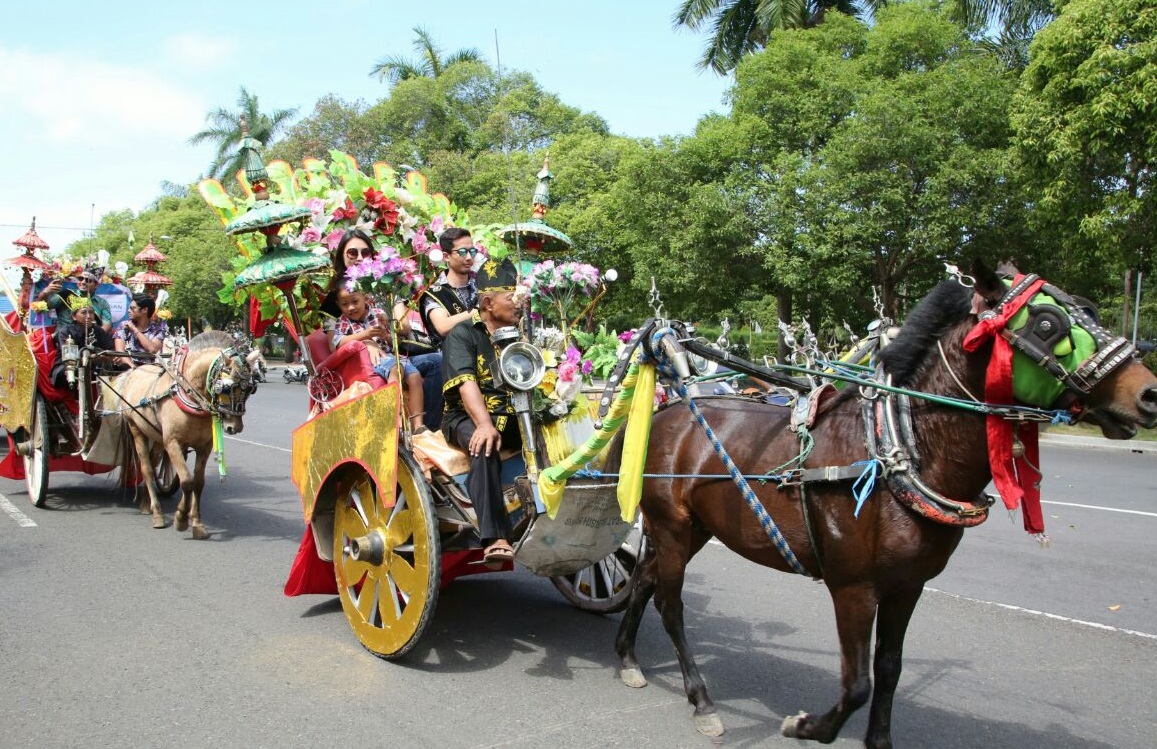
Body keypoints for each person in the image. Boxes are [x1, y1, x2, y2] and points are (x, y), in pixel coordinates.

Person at [440, 259, 523, 564]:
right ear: (488, 303)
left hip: (515, 414)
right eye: (511, 298)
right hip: (464, 416)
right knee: (484, 443)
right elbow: (466, 384)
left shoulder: (520, 334)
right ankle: (494, 536)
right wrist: (485, 424)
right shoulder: (463, 334)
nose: (519, 304)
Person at [333, 287, 427, 433]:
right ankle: (395, 420)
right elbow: (339, 343)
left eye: (355, 301)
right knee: (396, 370)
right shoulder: (342, 322)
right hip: (373, 361)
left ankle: (418, 424)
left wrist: (386, 334)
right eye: (345, 304)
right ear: (339, 305)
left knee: (414, 377)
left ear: (364, 297)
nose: (351, 307)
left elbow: (394, 340)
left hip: (390, 355)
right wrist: (365, 336)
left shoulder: (378, 313)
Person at [51, 297, 116, 388]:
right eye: (84, 312)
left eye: (91, 312)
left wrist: (108, 356)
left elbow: (110, 349)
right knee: (70, 371)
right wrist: (93, 357)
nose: (88, 316)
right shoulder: (65, 331)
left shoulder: (98, 330)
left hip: (96, 367)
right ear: (74, 316)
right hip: (69, 365)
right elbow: (69, 356)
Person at [36, 269, 113, 332]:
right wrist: (45, 293)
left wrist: (96, 336)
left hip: (90, 340)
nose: (83, 282)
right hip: (65, 337)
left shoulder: (102, 303)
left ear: (96, 285)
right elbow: (41, 309)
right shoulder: (66, 294)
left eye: (88, 280)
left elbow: (107, 324)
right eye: (80, 279)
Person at [114, 293, 166, 365]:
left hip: (150, 370)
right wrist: (133, 368)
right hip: (128, 369)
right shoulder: (124, 326)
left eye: (132, 308)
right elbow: (120, 353)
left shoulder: (157, 330)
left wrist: (135, 330)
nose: (128, 311)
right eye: (129, 308)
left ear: (144, 310)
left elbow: (152, 349)